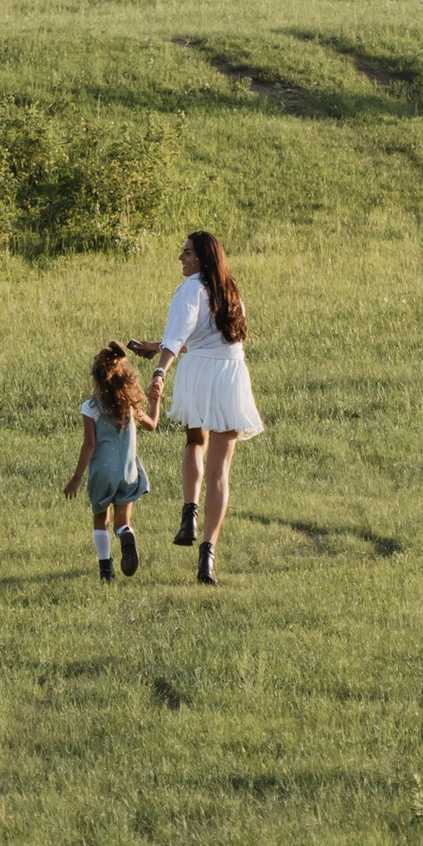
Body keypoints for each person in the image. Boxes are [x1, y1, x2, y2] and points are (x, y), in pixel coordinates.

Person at [137, 229, 264, 583]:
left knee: (195, 442)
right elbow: (217, 340)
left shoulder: (191, 289)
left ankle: (189, 512)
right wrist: (155, 345)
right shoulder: (232, 291)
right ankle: (208, 554)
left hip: (199, 375)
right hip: (232, 376)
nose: (181, 258)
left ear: (202, 258)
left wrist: (160, 369)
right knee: (220, 470)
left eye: (187, 252)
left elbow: (179, 335)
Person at [61, 338, 161, 584]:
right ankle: (125, 533)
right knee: (121, 521)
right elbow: (152, 425)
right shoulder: (129, 404)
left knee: (99, 518)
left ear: (97, 376)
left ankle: (106, 569)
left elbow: (90, 444)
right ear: (124, 375)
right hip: (128, 470)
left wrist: (76, 478)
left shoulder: (90, 406)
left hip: (102, 472)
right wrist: (155, 402)